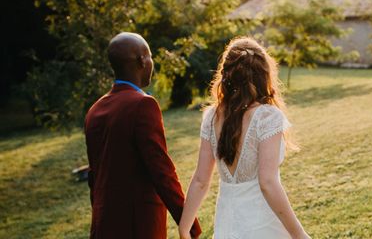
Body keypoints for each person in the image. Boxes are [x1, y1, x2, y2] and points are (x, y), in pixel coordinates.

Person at [178, 37, 310, 239]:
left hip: (227, 224)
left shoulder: (211, 117)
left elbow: (200, 180)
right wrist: (299, 234)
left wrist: (184, 227)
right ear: (264, 74)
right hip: (262, 225)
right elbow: (267, 182)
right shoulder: (267, 117)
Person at [84, 32, 201, 239]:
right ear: (142, 60)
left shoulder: (95, 109)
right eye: (150, 56)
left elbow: (95, 176)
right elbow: (161, 171)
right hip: (138, 224)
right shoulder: (142, 104)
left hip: (103, 223)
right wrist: (189, 223)